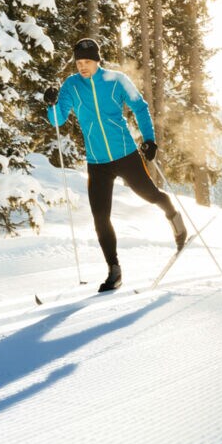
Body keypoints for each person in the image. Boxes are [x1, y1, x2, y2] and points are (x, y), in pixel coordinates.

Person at [43, 38, 187, 292]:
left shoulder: (117, 80)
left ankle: (172, 213)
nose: (82, 67)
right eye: (78, 62)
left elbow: (140, 108)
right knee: (101, 217)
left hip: (125, 155)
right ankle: (114, 270)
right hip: (97, 162)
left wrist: (150, 140)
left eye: (87, 61)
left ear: (97, 61)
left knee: (150, 194)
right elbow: (58, 120)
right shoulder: (71, 86)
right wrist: (51, 104)